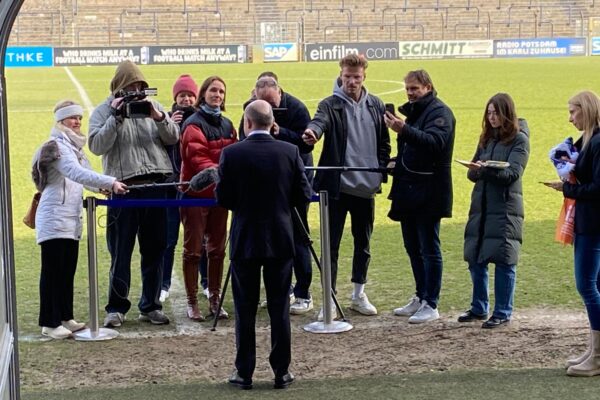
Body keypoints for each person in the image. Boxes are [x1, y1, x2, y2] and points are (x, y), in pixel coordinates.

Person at [216, 99, 312, 390]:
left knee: (245, 309)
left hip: (245, 238)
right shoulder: (289, 150)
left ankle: (244, 372)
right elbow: (303, 194)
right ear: (272, 124)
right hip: (281, 239)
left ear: (246, 124)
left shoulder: (231, 154)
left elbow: (224, 199)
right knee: (279, 307)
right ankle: (281, 372)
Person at [88, 60, 179, 327]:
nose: (136, 92)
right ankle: (116, 307)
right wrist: (116, 119)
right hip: (124, 187)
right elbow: (96, 145)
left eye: (140, 87)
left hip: (155, 185)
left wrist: (159, 117)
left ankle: (150, 305)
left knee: (155, 249)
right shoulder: (103, 111)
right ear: (119, 88)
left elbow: (173, 137)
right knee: (121, 251)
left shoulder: (155, 107)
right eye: (131, 87)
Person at [302, 54, 390, 320]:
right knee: (332, 245)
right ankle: (328, 299)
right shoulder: (329, 104)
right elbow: (319, 121)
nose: (351, 81)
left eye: (356, 77)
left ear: (364, 76)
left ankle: (358, 294)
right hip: (337, 188)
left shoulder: (376, 104)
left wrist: (381, 169)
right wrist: (312, 133)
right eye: (347, 76)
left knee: (363, 244)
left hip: (365, 187)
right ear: (340, 75)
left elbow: (384, 143)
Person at [33, 100, 127, 339]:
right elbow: (74, 172)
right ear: (60, 120)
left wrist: (99, 188)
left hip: (69, 218)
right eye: (71, 118)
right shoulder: (57, 146)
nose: (76, 122)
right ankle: (49, 322)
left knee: (67, 270)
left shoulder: (73, 146)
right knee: (53, 271)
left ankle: (65, 316)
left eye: (79, 118)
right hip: (54, 216)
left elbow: (83, 179)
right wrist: (110, 182)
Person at [239, 73, 315, 315]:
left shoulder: (297, 108)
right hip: (262, 182)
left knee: (299, 236)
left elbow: (306, 145)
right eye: (262, 103)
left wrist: (280, 131)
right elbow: (243, 139)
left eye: (271, 104)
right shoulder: (251, 108)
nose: (267, 109)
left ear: (279, 93)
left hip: (292, 179)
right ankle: (283, 290)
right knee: (270, 237)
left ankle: (304, 292)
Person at [384, 69, 455, 324]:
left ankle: (431, 302)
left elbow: (435, 143)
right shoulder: (416, 112)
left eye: (415, 88)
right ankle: (420, 295)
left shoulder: (440, 112)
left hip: (430, 191)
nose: (410, 93)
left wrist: (403, 129)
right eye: (408, 89)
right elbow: (413, 150)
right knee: (412, 247)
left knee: (429, 248)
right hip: (409, 189)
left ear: (428, 86)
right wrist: (396, 163)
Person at [458, 93, 529, 329]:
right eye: (488, 113)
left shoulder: (519, 140)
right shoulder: (486, 139)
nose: (491, 117)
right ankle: (479, 307)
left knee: (504, 259)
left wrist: (485, 170)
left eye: (496, 112)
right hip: (481, 208)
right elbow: (471, 173)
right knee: (475, 257)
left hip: (506, 210)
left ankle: (502, 312)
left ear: (507, 113)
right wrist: (476, 169)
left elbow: (512, 174)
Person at [547, 91, 600, 377]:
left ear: (587, 110)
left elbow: (598, 188)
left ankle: (597, 357)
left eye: (573, 112)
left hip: (593, 225)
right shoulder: (590, 141)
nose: (570, 118)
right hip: (589, 222)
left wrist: (567, 189)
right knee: (596, 287)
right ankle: (594, 351)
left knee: (587, 287)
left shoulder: (598, 142)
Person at [179, 76, 236, 321]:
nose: (218, 95)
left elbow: (233, 152)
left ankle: (215, 298)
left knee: (217, 250)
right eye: (214, 90)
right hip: (195, 195)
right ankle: (192, 302)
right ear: (203, 94)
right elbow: (197, 157)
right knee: (193, 251)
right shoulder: (193, 123)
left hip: (219, 196)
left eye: (222, 91)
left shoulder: (228, 124)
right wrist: (222, 174)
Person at [160, 74, 199, 303]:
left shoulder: (202, 119)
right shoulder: (164, 117)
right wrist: (170, 128)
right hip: (170, 186)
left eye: (190, 95)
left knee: (200, 238)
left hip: (194, 186)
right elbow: (157, 146)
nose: (186, 100)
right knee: (168, 238)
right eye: (182, 95)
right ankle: (163, 283)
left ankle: (204, 282)